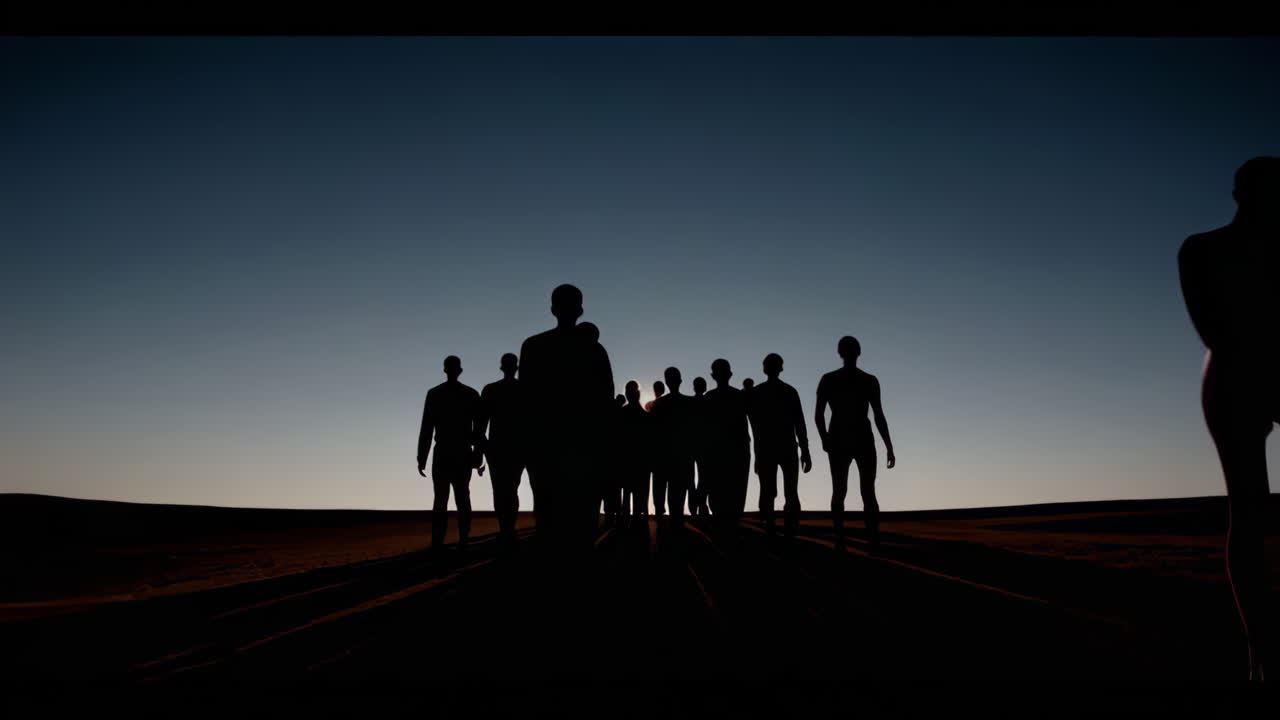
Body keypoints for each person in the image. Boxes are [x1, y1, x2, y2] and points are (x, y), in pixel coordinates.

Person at [1178, 156, 1279, 683]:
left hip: (1265, 374)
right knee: (1249, 510)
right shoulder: (1201, 248)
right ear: (1241, 194)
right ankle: (1260, 646)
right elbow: (1213, 329)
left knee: (1251, 513)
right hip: (1233, 380)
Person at [518, 284, 615, 552]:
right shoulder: (595, 351)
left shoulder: (533, 346)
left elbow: (525, 400)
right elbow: (606, 402)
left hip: (546, 446)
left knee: (549, 520)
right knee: (581, 523)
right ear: (580, 310)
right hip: (583, 448)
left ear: (552, 309)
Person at [815, 336, 896, 550]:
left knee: (846, 490)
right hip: (854, 438)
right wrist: (888, 445)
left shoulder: (832, 379)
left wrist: (825, 438)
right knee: (862, 490)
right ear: (857, 352)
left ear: (840, 353)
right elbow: (878, 414)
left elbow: (819, 415)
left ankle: (847, 536)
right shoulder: (866, 380)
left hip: (847, 438)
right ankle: (868, 537)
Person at [417, 355, 482, 551]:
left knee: (443, 499)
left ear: (445, 370)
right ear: (459, 370)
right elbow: (478, 430)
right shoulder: (470, 394)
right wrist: (478, 455)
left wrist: (422, 456)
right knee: (460, 498)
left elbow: (427, 428)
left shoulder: (436, 394)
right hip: (459, 452)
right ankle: (461, 540)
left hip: (447, 452)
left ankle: (441, 542)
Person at [748, 354, 811, 537]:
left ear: (765, 369)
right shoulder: (789, 391)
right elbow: (799, 423)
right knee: (789, 491)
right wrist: (805, 449)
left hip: (769, 448)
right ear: (781, 368)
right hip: (786, 447)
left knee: (770, 491)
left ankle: (771, 527)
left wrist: (757, 453)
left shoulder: (758, 393)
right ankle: (789, 528)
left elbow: (755, 425)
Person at [477, 352, 526, 548]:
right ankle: (508, 529)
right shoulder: (524, 390)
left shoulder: (491, 390)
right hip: (513, 448)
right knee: (510, 489)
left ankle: (506, 529)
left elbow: (481, 424)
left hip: (499, 448)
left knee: (501, 489)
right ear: (516, 367)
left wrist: (480, 450)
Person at [703, 359, 751, 540]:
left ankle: (723, 529)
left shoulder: (710, 398)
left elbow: (703, 429)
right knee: (735, 493)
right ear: (730, 375)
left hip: (720, 452)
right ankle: (730, 528)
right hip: (735, 452)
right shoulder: (740, 397)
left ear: (713, 376)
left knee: (719, 493)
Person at [650, 367, 697, 531]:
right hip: (681, 457)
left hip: (662, 457)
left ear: (666, 382)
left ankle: (663, 523)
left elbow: (653, 432)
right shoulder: (690, 403)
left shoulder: (658, 405)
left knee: (661, 493)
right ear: (680, 380)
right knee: (677, 499)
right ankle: (675, 526)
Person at [617, 380, 652, 526]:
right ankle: (636, 521)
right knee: (638, 494)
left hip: (627, 460)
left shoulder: (621, 414)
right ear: (638, 394)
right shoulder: (645, 416)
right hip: (640, 461)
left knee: (627, 493)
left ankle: (626, 521)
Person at [690, 376, 711, 518]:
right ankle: (701, 505)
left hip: (693, 445)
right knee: (703, 477)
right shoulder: (709, 403)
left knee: (693, 479)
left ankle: (697, 506)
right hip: (703, 445)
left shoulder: (689, 403)